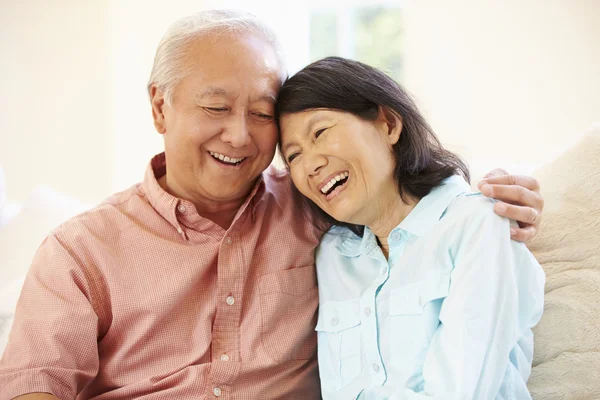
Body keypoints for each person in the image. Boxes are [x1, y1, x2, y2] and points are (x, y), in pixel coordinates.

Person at [0, 11, 544, 400]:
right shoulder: (80, 251)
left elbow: (395, 186)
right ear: (160, 106)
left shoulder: (316, 206)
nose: (239, 137)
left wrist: (500, 192)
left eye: (262, 114)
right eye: (216, 106)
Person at [277, 56, 545, 399]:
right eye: (293, 155)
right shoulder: (331, 254)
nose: (311, 164)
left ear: (388, 123)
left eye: (320, 132)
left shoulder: (476, 223)